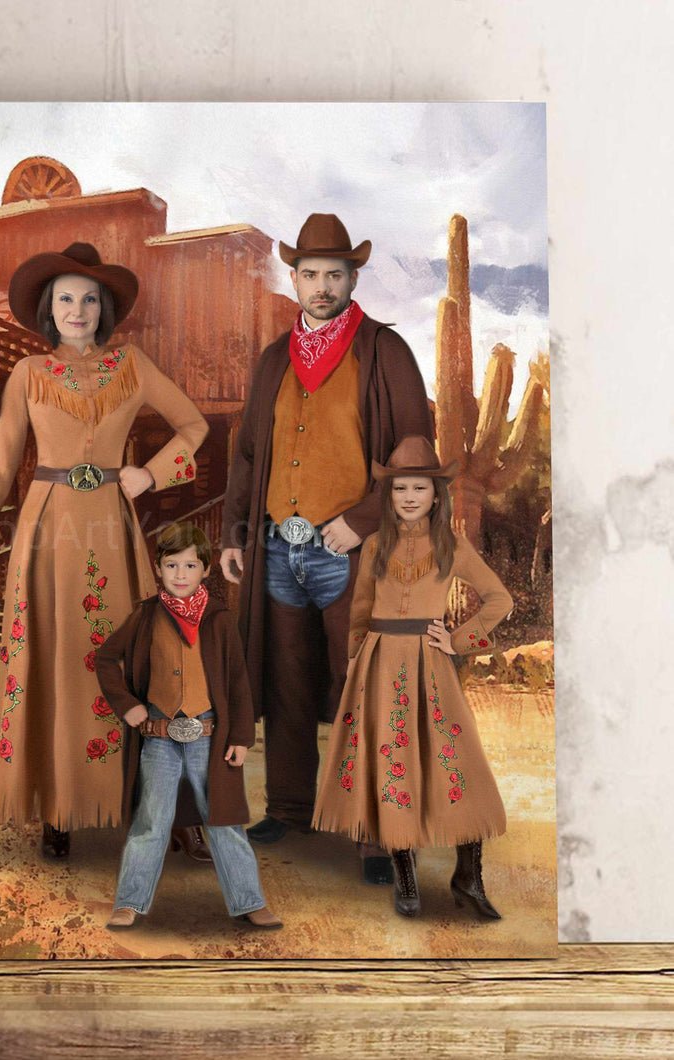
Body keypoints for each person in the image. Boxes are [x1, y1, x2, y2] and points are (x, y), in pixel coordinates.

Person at [0, 243, 209, 860]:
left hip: (113, 530)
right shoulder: (28, 375)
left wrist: (150, 475)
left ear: (102, 307)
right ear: (48, 310)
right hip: (47, 534)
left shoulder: (132, 365)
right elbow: (1, 468)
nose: (77, 309)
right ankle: (57, 807)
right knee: (55, 659)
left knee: (139, 662)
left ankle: (162, 805)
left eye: (88, 298)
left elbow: (193, 426)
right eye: (65, 299)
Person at [219, 213, 432, 884]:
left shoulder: (384, 351)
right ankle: (288, 805)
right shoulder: (274, 358)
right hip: (280, 545)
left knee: (356, 682)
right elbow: (249, 453)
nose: (320, 286)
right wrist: (234, 532)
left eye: (334, 275)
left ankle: (372, 829)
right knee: (287, 679)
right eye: (309, 274)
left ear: (352, 278)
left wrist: (367, 518)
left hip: (350, 550)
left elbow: (416, 455)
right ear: (294, 278)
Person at [312, 436, 513, 918]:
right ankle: (405, 877)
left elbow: (499, 599)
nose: (408, 497)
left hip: (430, 665)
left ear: (435, 495)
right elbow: (360, 613)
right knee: (392, 762)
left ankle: (469, 877)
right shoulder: (376, 545)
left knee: (454, 760)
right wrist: (355, 667)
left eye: (418, 489)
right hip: (378, 668)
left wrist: (459, 641)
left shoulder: (452, 545)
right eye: (399, 487)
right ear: (389, 494)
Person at [96, 523, 281, 930]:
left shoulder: (219, 619)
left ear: (205, 569)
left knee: (225, 823)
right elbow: (106, 659)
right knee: (150, 822)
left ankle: (249, 900)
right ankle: (130, 901)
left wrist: (241, 738)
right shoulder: (144, 616)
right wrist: (127, 706)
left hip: (210, 739)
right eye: (171, 565)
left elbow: (237, 681)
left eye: (190, 565)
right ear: (158, 569)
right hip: (158, 738)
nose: (181, 574)